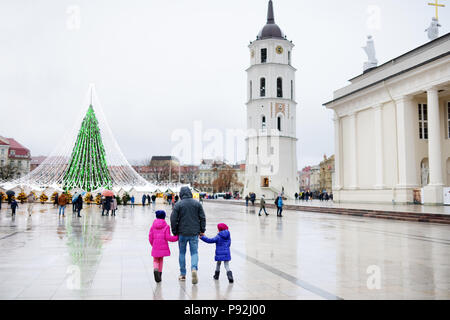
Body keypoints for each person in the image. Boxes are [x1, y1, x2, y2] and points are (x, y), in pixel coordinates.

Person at [170, 186, 206, 284]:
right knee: (194, 252)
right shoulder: (197, 204)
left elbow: (173, 219)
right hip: (194, 233)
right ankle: (194, 268)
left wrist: (174, 231)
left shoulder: (178, 205)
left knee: (182, 253)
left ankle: (182, 274)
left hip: (182, 233)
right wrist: (202, 230)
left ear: (181, 194)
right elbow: (202, 217)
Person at [149, 210, 179, 283]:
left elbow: (150, 237)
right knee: (161, 260)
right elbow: (168, 237)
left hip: (155, 246)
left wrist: (153, 244)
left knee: (155, 260)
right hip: (163, 247)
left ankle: (155, 269)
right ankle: (159, 274)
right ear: (164, 217)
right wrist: (177, 237)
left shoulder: (153, 226)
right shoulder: (166, 226)